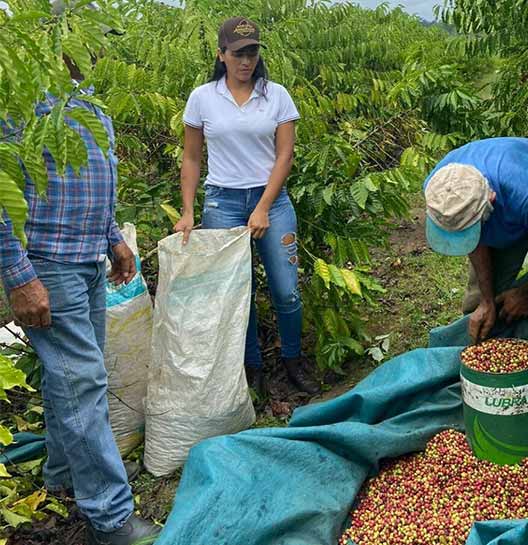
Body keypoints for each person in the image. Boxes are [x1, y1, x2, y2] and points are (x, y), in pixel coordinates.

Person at [0, 3, 159, 544]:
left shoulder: (88, 104)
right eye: (86, 39)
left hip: (86, 258)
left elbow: (96, 181)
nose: (97, 50)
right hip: (47, 264)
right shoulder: (19, 103)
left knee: (72, 382)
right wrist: (19, 274)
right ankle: (111, 517)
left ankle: (66, 475)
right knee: (83, 383)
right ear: (58, 38)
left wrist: (113, 238)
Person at [174, 17, 318, 397]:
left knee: (286, 290)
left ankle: (292, 359)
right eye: (238, 53)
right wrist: (188, 212)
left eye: (251, 52)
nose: (245, 61)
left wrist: (264, 206)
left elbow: (285, 155)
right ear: (221, 55)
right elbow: (191, 158)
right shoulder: (203, 98)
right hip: (222, 202)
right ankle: (250, 365)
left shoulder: (276, 95)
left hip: (271, 200)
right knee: (239, 290)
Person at [423, 137, 528, 343]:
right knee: (480, 301)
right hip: (508, 207)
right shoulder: (438, 189)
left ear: (491, 200)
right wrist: (487, 301)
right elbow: (475, 240)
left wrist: (525, 293)